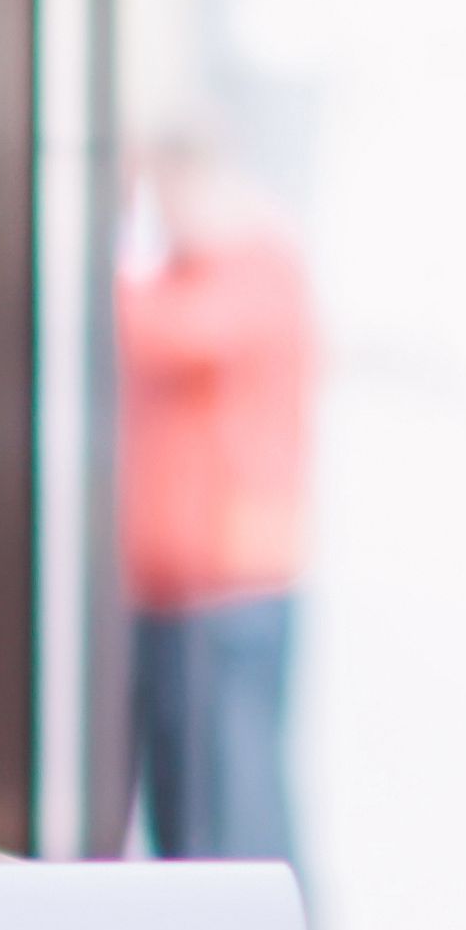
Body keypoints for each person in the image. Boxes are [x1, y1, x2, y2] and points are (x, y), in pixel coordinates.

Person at [116, 136, 314, 873]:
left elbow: (164, 333)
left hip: (227, 592)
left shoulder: (255, 269)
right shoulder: (186, 272)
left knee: (233, 812)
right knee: (186, 810)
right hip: (174, 590)